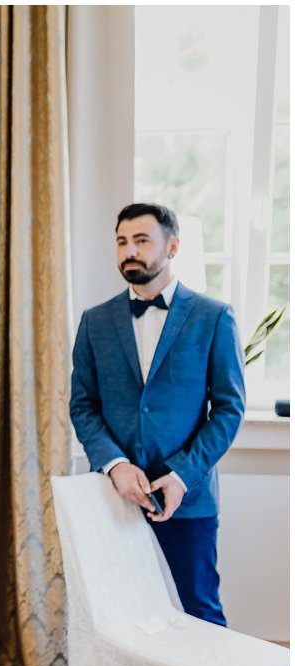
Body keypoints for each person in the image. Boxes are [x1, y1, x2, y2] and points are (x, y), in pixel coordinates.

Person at [70, 202, 246, 626]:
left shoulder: (213, 317)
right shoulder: (95, 321)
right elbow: (83, 404)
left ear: (172, 247)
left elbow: (228, 408)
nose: (129, 250)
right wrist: (115, 465)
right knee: (119, 621)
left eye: (142, 240)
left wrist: (183, 475)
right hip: (114, 500)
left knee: (201, 612)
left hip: (188, 498)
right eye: (122, 242)